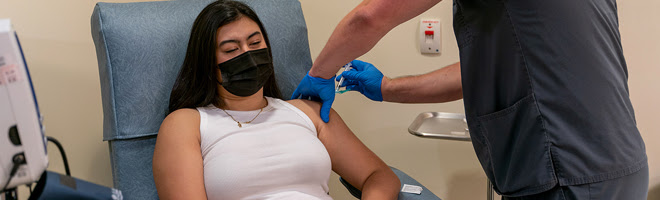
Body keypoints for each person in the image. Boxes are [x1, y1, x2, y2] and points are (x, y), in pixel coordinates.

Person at [291, 0, 648, 199]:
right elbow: (496, 69)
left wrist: (320, 73)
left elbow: (372, 15)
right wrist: (386, 87)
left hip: (567, 174)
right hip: (617, 166)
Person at [151, 1, 400, 199]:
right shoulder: (188, 123)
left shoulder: (308, 112)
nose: (248, 55)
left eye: (255, 42)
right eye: (231, 50)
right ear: (207, 63)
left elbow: (379, 176)